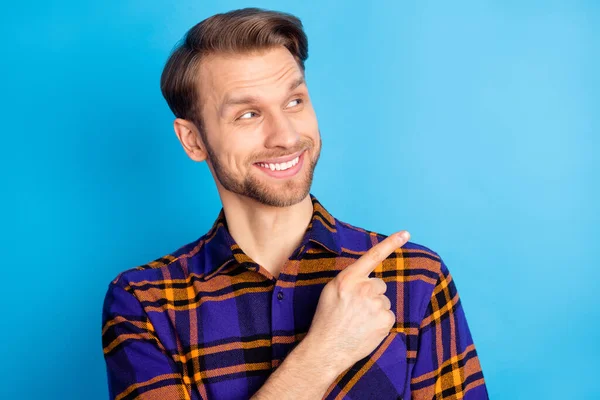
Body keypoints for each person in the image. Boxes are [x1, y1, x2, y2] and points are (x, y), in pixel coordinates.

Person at [101, 7, 489, 400]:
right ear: (193, 140)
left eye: (294, 102)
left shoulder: (414, 277)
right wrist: (324, 353)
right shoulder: (145, 304)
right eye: (249, 113)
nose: (285, 136)